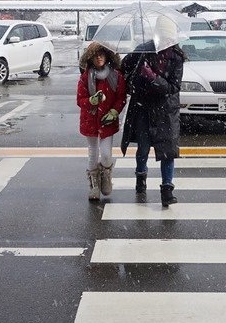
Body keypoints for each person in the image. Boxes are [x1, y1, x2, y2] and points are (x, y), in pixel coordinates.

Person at [120, 15, 186, 207]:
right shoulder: (144, 51)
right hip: (143, 107)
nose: (165, 42)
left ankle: (167, 189)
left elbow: (173, 87)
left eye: (169, 38)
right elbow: (124, 68)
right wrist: (137, 62)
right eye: (162, 37)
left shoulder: (177, 58)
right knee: (143, 147)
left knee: (168, 152)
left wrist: (152, 77)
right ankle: (141, 176)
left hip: (166, 111)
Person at [77, 42, 127, 201]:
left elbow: (121, 98)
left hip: (107, 121)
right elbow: (80, 100)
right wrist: (92, 100)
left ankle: (106, 176)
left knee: (106, 154)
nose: (99, 57)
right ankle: (94, 185)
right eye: (95, 55)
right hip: (90, 120)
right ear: (90, 58)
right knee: (93, 153)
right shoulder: (86, 76)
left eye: (102, 54)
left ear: (107, 56)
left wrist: (114, 112)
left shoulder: (116, 76)